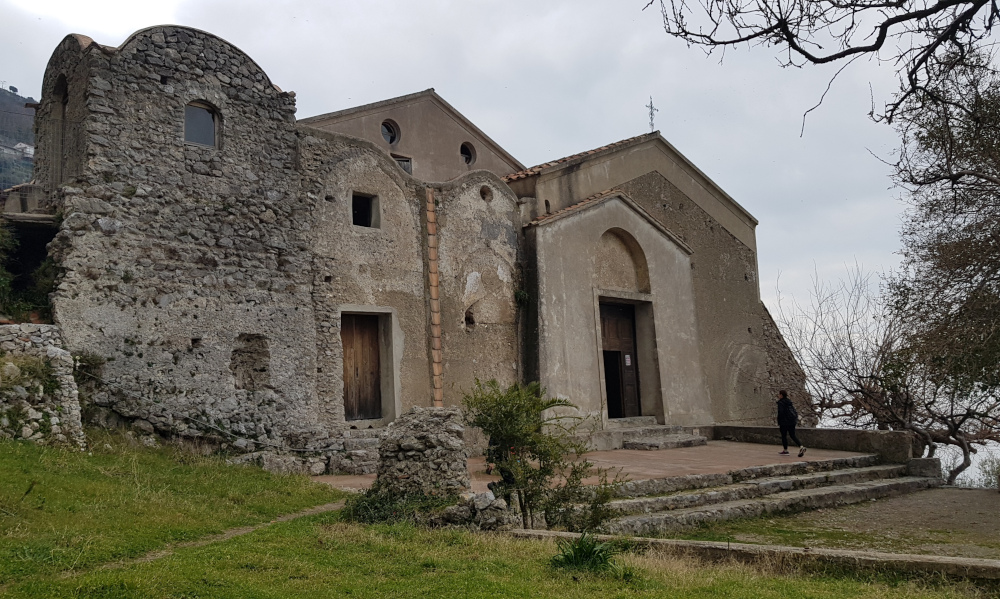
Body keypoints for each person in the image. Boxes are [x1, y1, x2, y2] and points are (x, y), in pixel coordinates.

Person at [776, 390, 806, 457]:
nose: (778, 396)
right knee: (792, 435)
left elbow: (781, 412)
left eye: (779, 394)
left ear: (781, 395)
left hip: (784, 422)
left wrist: (779, 420)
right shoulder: (789, 402)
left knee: (784, 436)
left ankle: (785, 450)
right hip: (792, 421)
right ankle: (801, 446)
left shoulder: (781, 403)